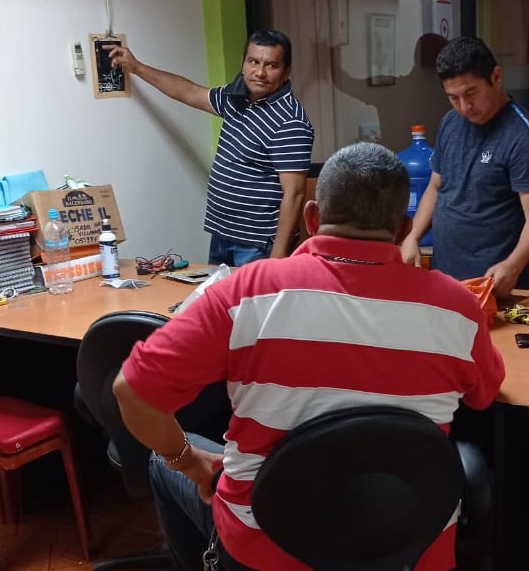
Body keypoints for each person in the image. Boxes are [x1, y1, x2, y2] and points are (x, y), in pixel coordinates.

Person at [112, 142, 506, 571]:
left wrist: (186, 460)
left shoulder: (246, 291)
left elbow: (133, 392)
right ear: (403, 228)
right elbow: (484, 394)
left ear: (312, 218)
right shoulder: (459, 307)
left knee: (162, 462)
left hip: (264, 547)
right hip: (409, 546)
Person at [109, 29, 314, 265]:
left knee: (250, 292)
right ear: (243, 63)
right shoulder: (236, 97)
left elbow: (294, 195)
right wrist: (137, 67)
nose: (260, 72)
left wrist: (275, 262)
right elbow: (188, 92)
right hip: (222, 233)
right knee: (217, 290)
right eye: (253, 62)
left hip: (257, 245)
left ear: (286, 70)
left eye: (271, 65)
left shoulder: (290, 121)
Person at [399, 36, 529, 297]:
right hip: (446, 279)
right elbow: (436, 186)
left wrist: (512, 265)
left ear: (496, 77)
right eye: (453, 98)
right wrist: (412, 237)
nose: (465, 107)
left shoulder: (524, 135)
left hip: (494, 285)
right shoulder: (450, 123)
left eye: (471, 93)